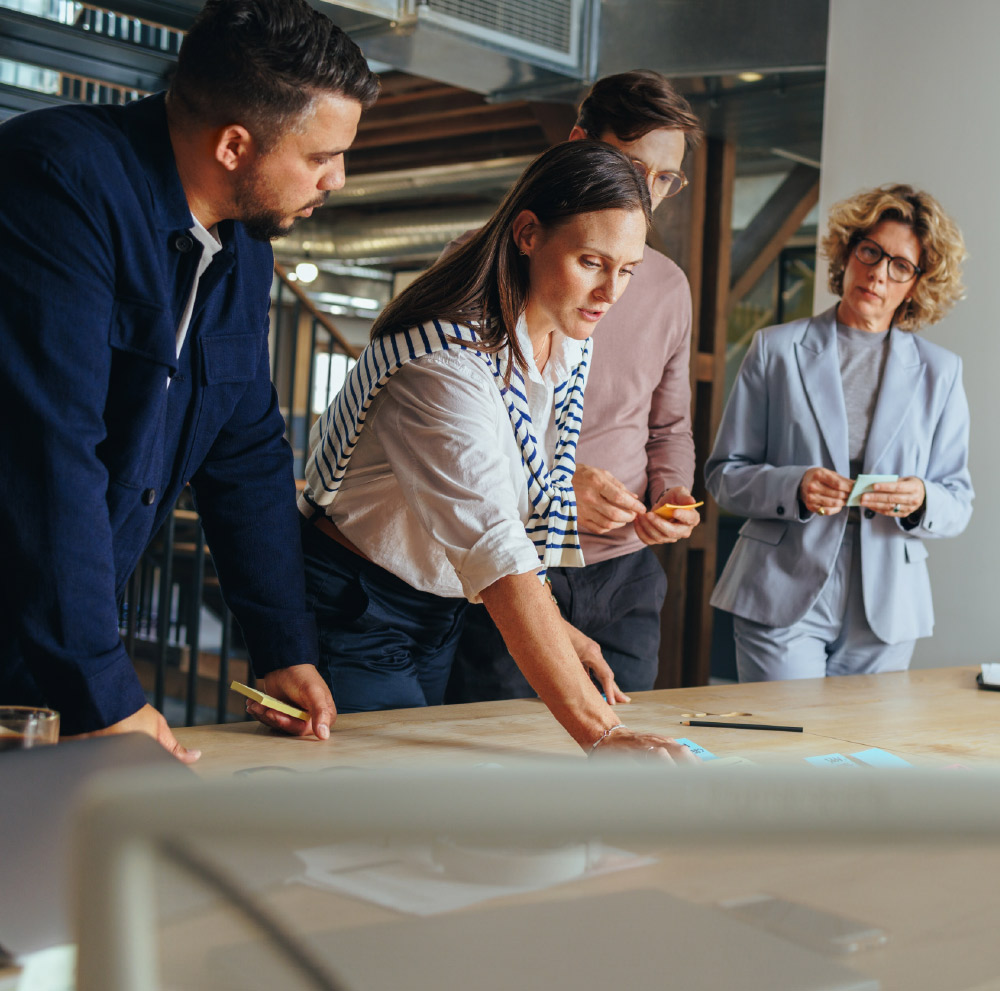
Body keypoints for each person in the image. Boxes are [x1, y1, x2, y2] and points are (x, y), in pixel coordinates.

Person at [0, 0, 379, 757]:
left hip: (54, 640)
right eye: (319, 156)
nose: (338, 178)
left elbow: (246, 453)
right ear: (236, 144)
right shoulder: (58, 179)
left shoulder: (243, 251)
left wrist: (282, 645)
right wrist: (107, 692)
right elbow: (49, 449)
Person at [299, 140, 695, 762]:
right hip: (356, 606)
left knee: (416, 808)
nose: (610, 293)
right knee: (365, 816)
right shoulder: (443, 361)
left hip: (441, 606)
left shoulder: (560, 338)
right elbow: (493, 541)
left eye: (627, 270)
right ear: (529, 234)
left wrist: (561, 634)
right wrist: (603, 733)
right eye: (592, 261)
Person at [447, 70, 704, 704]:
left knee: (616, 769)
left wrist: (673, 492)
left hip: (627, 573)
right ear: (576, 144)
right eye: (630, 165)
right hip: (516, 563)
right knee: (505, 763)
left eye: (665, 178)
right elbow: (455, 432)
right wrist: (558, 490)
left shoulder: (668, 287)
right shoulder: (484, 264)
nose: (646, 192)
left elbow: (668, 426)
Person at [706, 184, 972, 681]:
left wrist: (921, 498)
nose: (877, 272)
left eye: (900, 265)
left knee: (862, 753)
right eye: (870, 251)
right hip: (780, 583)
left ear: (916, 284)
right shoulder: (775, 350)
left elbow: (958, 499)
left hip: (888, 602)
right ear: (847, 253)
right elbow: (724, 475)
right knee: (786, 746)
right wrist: (794, 486)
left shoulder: (941, 372)